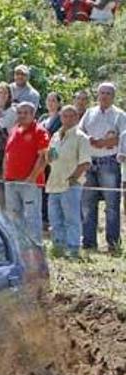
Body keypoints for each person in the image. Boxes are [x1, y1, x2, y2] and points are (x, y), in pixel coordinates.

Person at [79, 82, 126, 253]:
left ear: (113, 96)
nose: (104, 96)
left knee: (112, 205)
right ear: (97, 95)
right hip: (90, 162)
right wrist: (89, 139)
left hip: (110, 162)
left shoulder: (120, 115)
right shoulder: (89, 113)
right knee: (87, 204)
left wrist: (105, 142)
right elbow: (80, 132)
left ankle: (113, 243)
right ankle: (89, 242)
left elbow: (123, 138)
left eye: (107, 93)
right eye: (101, 93)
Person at [46, 105, 91, 258]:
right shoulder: (55, 136)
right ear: (61, 117)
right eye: (65, 116)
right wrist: (49, 155)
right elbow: (51, 156)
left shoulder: (81, 137)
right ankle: (58, 247)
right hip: (53, 183)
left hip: (70, 185)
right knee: (55, 218)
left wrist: (73, 179)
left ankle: (73, 249)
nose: (68, 119)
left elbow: (85, 162)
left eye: (72, 116)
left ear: (77, 118)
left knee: (71, 219)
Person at [3, 102, 49, 243]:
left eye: (25, 113)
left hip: (30, 182)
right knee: (13, 214)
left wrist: (32, 177)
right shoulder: (14, 130)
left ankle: (35, 245)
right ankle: (18, 245)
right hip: (10, 181)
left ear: (33, 114)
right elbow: (7, 154)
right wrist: (5, 175)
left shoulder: (40, 131)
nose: (22, 115)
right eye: (20, 112)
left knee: (32, 215)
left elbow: (43, 157)